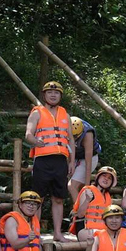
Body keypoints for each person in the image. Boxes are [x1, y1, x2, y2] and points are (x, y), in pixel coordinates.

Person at [25, 81, 76, 242]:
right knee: (37, 198)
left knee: (59, 198)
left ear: (60, 96)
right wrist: (35, 141)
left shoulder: (64, 114)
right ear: (44, 95)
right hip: (42, 160)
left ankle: (58, 233)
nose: (53, 95)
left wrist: (72, 161)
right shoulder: (37, 112)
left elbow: (70, 139)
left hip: (60, 160)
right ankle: (36, 232)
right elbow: (28, 134)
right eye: (49, 92)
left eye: (56, 93)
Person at [69, 166, 117, 243]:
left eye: (109, 178)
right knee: (102, 237)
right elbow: (80, 214)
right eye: (104, 176)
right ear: (98, 177)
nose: (106, 179)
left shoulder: (108, 197)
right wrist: (87, 199)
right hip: (85, 229)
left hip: (103, 230)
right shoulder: (88, 191)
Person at [67, 116, 102, 203]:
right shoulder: (64, 126)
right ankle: (82, 207)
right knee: (75, 186)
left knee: (72, 186)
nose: (73, 139)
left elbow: (88, 162)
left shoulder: (88, 134)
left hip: (89, 159)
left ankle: (78, 212)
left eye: (75, 137)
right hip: (75, 157)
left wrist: (87, 187)